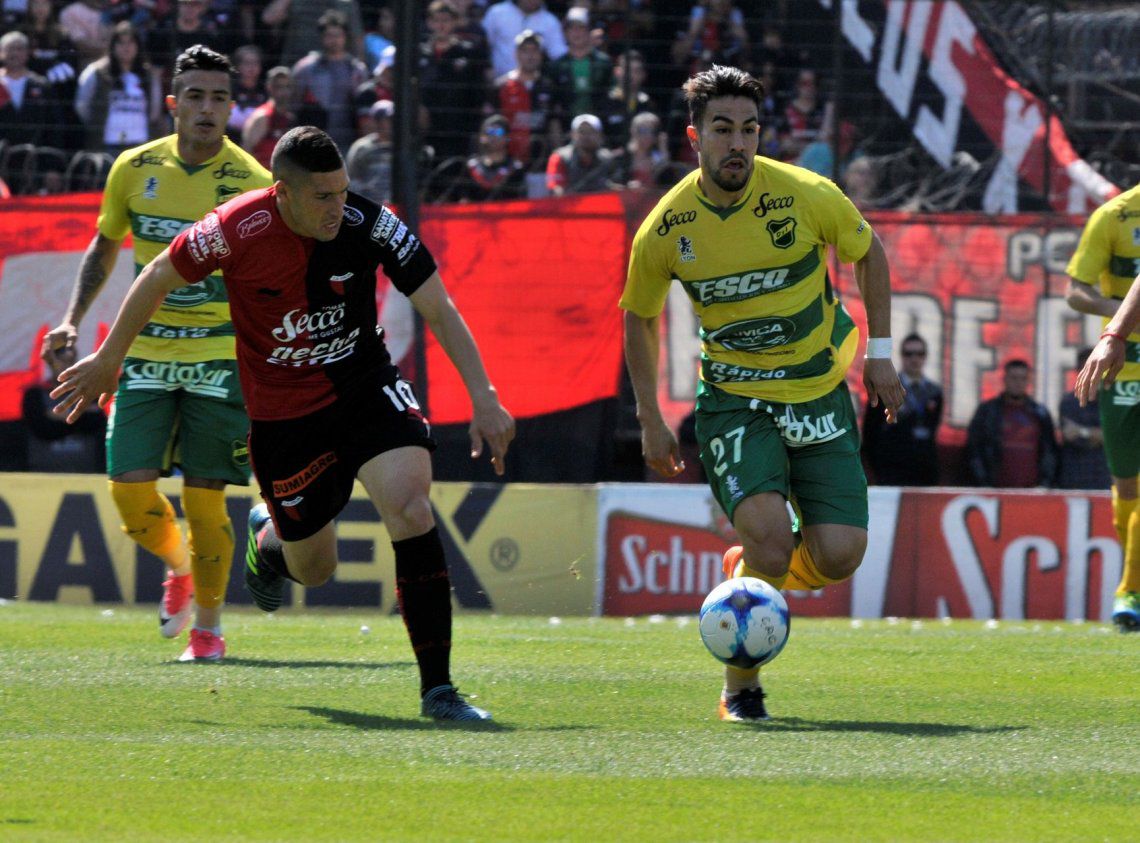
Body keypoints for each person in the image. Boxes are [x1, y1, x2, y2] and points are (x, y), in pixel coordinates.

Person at [51, 126, 516, 720]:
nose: (337, 207)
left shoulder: (370, 224)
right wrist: (112, 356)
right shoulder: (235, 227)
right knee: (314, 569)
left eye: (342, 191)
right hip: (284, 417)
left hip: (364, 386)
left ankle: (439, 692)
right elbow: (159, 275)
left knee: (411, 507)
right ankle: (268, 539)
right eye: (322, 196)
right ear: (283, 192)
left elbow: (438, 307)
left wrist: (484, 395)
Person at [621, 65, 903, 722]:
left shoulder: (806, 193)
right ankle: (741, 687)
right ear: (695, 136)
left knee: (840, 554)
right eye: (722, 129)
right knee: (774, 542)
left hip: (819, 396)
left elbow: (872, 254)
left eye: (749, 129)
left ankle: (744, 565)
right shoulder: (667, 228)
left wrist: (880, 356)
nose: (738, 143)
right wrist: (649, 418)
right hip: (735, 404)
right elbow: (639, 314)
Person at [41, 45, 273, 662]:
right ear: (172, 104)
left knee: (204, 501)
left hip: (219, 358)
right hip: (141, 353)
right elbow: (105, 244)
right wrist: (71, 320)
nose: (207, 108)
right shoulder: (133, 168)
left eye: (219, 98)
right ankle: (179, 567)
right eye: (195, 96)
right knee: (129, 495)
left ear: (231, 106)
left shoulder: (251, 182)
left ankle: (210, 629)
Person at [1068, 182, 1140, 631]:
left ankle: (1128, 589)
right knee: (1127, 487)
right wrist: (1121, 313)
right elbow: (1075, 290)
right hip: (1125, 371)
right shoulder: (1114, 216)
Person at [861, 332, 942, 486]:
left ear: (925, 356)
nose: (914, 359)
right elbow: (870, 431)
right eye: (908, 353)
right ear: (902, 356)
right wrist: (879, 469)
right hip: (892, 471)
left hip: (924, 472)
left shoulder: (935, 393)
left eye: (919, 353)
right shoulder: (884, 389)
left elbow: (932, 430)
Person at [964, 359, 1059, 488]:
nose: (1018, 383)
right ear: (1005, 379)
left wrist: (1045, 484)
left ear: (1028, 382)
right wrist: (983, 483)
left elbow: (1050, 451)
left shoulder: (1040, 413)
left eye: (1023, 378)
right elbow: (974, 450)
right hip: (995, 490)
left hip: (1033, 492)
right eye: (1014, 378)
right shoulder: (987, 411)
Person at [290, 9, 369, 153]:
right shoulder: (306, 68)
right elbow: (294, 106)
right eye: (329, 35)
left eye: (338, 35)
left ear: (345, 37)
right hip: (314, 141)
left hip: (349, 139)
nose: (334, 40)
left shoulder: (357, 70)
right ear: (321, 37)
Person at [1057, 346, 1111, 491]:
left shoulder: (1112, 402)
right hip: (1075, 479)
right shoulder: (1069, 402)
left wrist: (1083, 432)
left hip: (1106, 479)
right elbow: (1070, 435)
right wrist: (1100, 436)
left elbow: (1115, 438)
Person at [545, 112, 617, 196]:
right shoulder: (559, 157)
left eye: (591, 132)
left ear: (599, 135)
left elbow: (616, 187)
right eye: (581, 132)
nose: (586, 136)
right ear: (572, 134)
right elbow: (556, 190)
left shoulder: (608, 159)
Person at [241, 65, 295, 169]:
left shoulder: (289, 118)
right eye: (278, 86)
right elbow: (245, 152)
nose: (284, 91)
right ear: (269, 87)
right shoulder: (262, 117)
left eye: (287, 86)